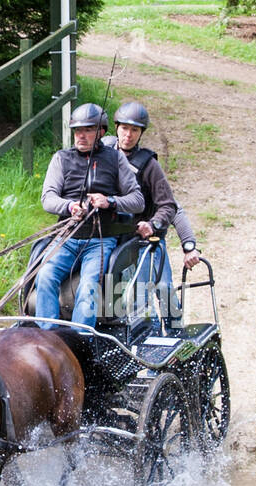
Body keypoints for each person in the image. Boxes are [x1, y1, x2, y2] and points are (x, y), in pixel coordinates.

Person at [35, 102, 145, 329]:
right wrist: (70, 207)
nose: (81, 136)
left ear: (102, 132)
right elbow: (48, 198)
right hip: (66, 237)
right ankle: (48, 335)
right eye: (77, 130)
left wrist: (110, 202)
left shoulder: (116, 159)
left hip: (100, 241)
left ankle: (79, 340)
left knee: (88, 288)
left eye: (87, 130)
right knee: (44, 275)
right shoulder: (61, 159)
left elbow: (137, 200)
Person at [104, 101, 202, 321]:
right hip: (114, 239)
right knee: (119, 298)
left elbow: (172, 206)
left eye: (134, 130)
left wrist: (187, 244)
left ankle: (175, 334)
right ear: (116, 127)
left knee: (163, 290)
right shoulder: (105, 152)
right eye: (124, 128)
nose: (128, 135)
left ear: (141, 133)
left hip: (145, 240)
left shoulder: (148, 165)